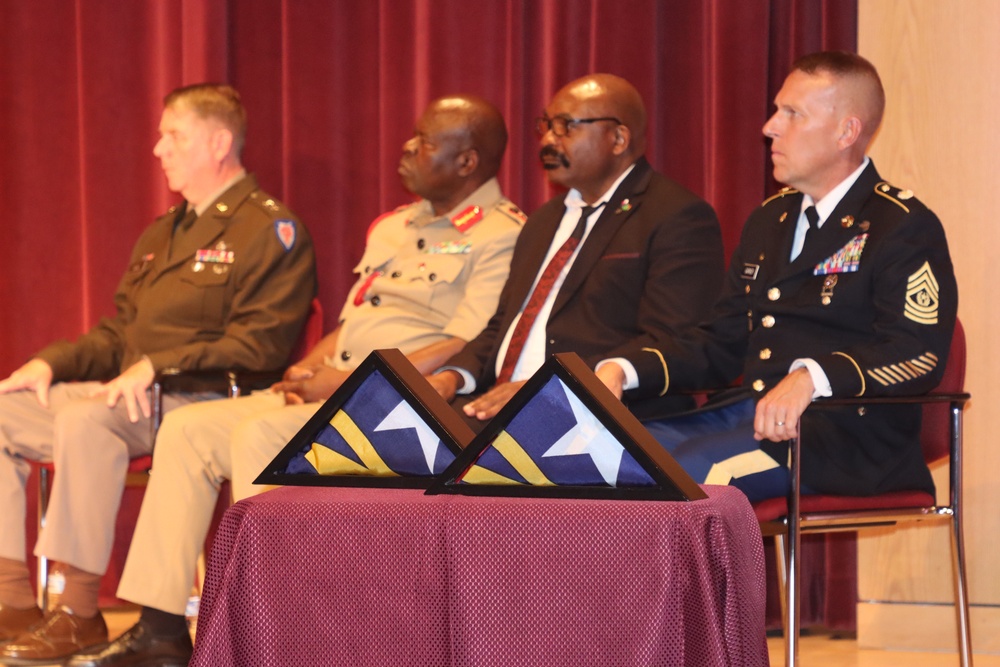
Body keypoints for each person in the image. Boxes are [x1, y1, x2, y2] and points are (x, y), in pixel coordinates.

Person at [66, 94, 523, 667]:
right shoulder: (392, 226)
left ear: (467, 162)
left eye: (425, 142)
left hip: (395, 403)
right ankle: (160, 630)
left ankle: (277, 630)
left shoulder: (503, 233)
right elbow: (354, 321)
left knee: (261, 436)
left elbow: (465, 343)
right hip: (336, 384)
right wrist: (311, 365)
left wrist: (340, 381)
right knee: (186, 429)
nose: (406, 149)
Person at [0, 83, 316, 663]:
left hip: (200, 399)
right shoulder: (163, 232)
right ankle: (12, 598)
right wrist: (51, 362)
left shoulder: (270, 230)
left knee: (87, 420)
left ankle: (77, 610)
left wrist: (159, 365)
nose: (157, 149)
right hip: (133, 396)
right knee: (3, 412)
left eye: (173, 135)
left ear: (218, 142)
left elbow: (262, 343)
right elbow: (120, 332)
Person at [601, 52, 957, 503]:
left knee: (684, 483)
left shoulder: (900, 224)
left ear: (846, 131)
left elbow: (918, 354)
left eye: (792, 114)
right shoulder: (771, 219)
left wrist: (812, 377)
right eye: (776, 110)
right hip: (748, 416)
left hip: (842, 439)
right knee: (606, 459)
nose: (770, 126)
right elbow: (722, 342)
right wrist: (626, 369)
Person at [428, 74, 724, 424]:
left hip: (592, 412)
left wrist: (546, 386)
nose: (549, 140)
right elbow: (504, 326)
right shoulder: (543, 221)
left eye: (567, 126)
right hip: (494, 402)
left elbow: (677, 341)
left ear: (618, 138)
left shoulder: (674, 215)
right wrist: (451, 377)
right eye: (547, 126)